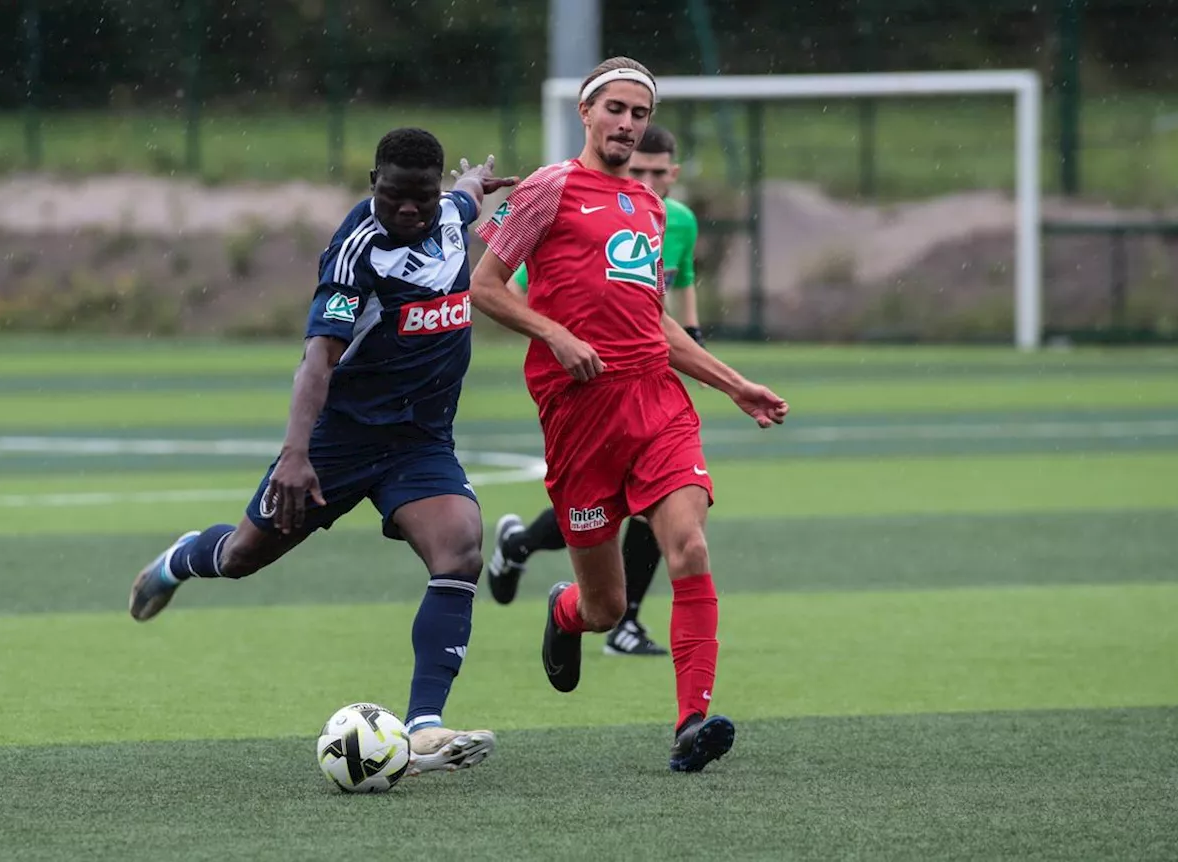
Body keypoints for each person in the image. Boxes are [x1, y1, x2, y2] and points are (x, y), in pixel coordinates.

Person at [127, 128, 517, 778]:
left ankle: (423, 728)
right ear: (374, 186)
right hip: (339, 442)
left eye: (422, 196)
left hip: (420, 442)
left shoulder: (449, 215)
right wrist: (294, 453)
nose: (411, 211)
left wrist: (472, 183)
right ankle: (179, 559)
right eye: (395, 197)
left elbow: (462, 201)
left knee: (460, 547)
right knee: (241, 556)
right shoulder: (354, 254)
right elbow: (317, 360)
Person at [470, 58, 788, 772]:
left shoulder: (648, 209)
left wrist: (732, 383)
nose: (627, 124)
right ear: (586, 113)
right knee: (606, 608)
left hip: (656, 403)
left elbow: (655, 325)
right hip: (579, 416)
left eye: (639, 114)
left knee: (691, 550)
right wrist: (555, 333)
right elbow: (483, 289)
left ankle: (690, 724)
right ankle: (563, 613)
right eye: (615, 109)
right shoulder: (549, 189)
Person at [487, 123, 704, 659]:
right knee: (599, 515)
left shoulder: (672, 221)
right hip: (582, 388)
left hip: (649, 381)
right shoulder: (561, 196)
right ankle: (523, 547)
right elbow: (517, 288)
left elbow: (678, 304)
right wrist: (562, 334)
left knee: (663, 509)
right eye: (642, 170)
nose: (649, 178)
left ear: (673, 174)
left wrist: (710, 368)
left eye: (660, 172)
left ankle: (627, 620)